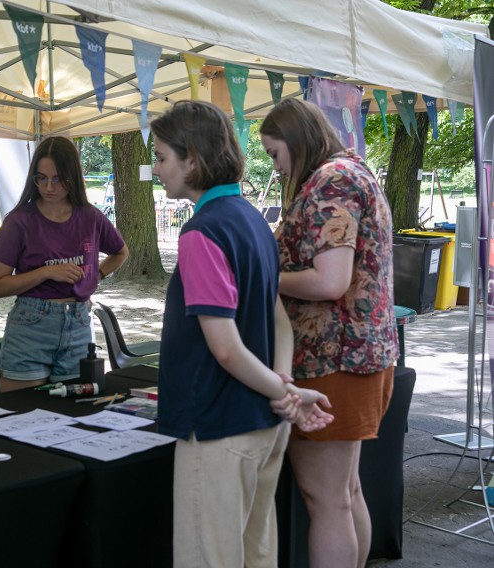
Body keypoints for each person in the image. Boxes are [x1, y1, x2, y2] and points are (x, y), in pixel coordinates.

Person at [150, 100, 333, 568]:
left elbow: (227, 350)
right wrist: (285, 388)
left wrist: (285, 392)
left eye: (162, 157)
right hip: (262, 426)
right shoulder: (253, 220)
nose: (157, 169)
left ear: (192, 158)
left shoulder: (201, 234)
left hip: (218, 428)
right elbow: (280, 322)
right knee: (256, 554)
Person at [260, 98, 399, 568]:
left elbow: (329, 281)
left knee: (327, 501)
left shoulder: (330, 181)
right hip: (358, 356)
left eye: (276, 155)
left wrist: (260, 278)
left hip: (332, 360)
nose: (276, 168)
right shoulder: (353, 170)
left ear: (297, 142)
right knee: (344, 493)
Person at [0, 136, 129, 392]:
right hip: (31, 326)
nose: (49, 186)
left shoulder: (90, 216)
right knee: (23, 416)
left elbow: (120, 253)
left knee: (75, 416)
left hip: (79, 325)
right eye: (41, 178)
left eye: (57, 178)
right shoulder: (19, 221)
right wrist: (47, 272)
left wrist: (96, 276)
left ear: (72, 176)